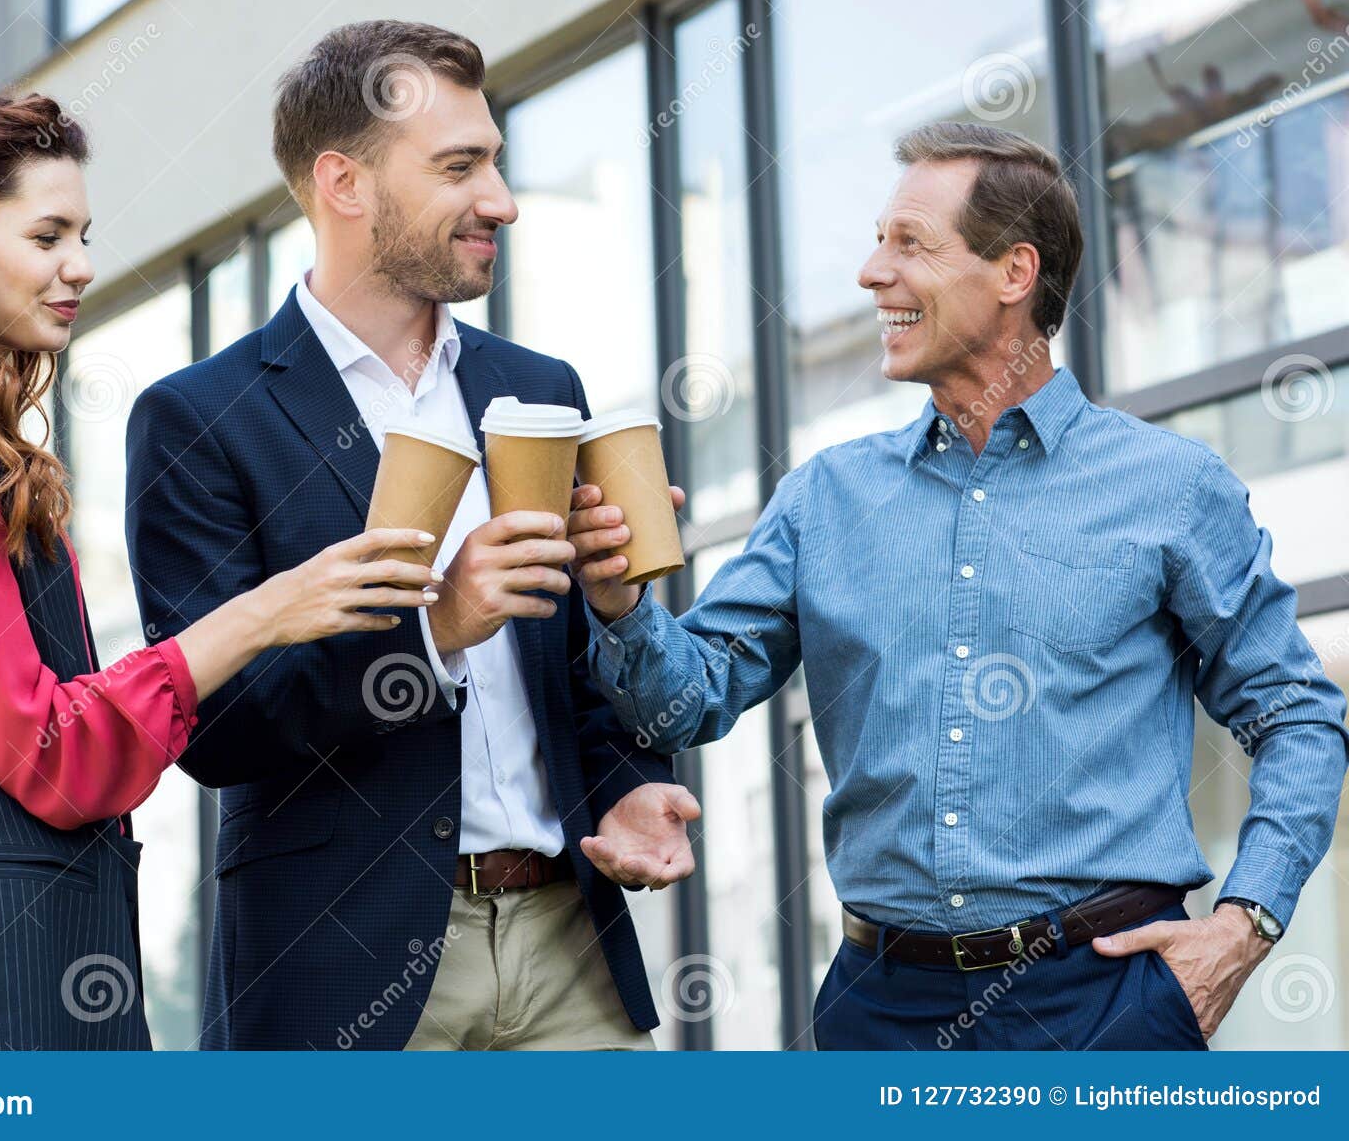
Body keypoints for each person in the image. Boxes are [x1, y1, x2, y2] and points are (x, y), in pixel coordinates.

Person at [572, 120, 1348, 1050]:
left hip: (1102, 1006)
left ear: (1015, 274)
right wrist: (619, 602)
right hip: (877, 1009)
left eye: (909, 244)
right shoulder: (828, 496)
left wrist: (1244, 922)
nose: (869, 273)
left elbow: (1297, 714)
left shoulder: (1170, 487)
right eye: (876, 241)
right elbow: (688, 702)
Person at [0, 89, 439, 1050]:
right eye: (46, 236)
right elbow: (54, 755)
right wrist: (265, 612)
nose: (79, 265)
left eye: (82, 233)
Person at [126, 20, 697, 1051]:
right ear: (344, 183)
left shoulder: (536, 390)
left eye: (498, 163)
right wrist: (437, 627)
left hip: (569, 951)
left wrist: (621, 788)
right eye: (459, 167)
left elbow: (564, 683)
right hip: (345, 970)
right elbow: (211, 728)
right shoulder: (201, 421)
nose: (502, 202)